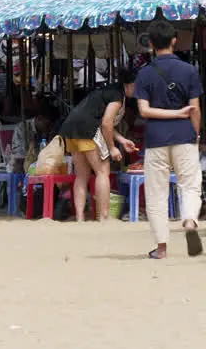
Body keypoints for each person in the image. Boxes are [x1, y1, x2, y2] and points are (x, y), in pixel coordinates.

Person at [133, 20, 202, 259]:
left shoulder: (144, 73)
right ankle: (190, 220)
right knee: (190, 185)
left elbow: (144, 111)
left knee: (156, 193)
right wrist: (196, 133)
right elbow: (195, 109)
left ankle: (161, 248)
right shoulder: (189, 70)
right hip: (184, 134)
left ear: (150, 43)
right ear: (174, 40)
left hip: (156, 138)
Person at [57, 70, 138, 222]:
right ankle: (104, 216)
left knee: (82, 175)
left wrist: (122, 140)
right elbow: (106, 123)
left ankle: (80, 218)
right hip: (87, 130)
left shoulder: (109, 91)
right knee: (102, 171)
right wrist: (112, 147)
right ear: (132, 85)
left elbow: (104, 122)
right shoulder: (117, 96)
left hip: (71, 128)